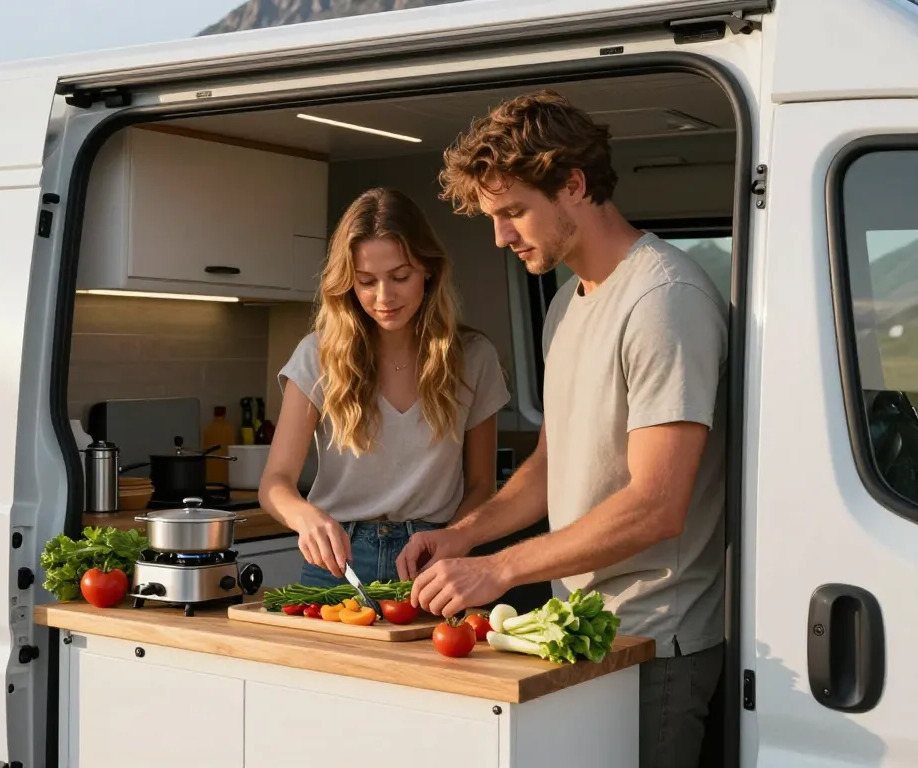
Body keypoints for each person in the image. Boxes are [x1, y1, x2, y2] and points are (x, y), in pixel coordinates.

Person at [396, 90, 728, 768]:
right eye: (494, 216)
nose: (501, 236)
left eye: (514, 212)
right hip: (577, 632)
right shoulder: (566, 307)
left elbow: (657, 505)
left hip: (654, 641)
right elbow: (552, 467)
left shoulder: (665, 300)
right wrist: (460, 536)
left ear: (574, 185)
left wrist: (499, 568)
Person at [259, 187, 512, 589]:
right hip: (337, 562)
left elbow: (482, 484)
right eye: (366, 281)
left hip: (432, 557)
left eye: (400, 276)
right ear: (347, 283)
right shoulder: (317, 356)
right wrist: (306, 518)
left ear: (428, 270)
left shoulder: (473, 357)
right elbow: (275, 482)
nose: (384, 297)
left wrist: (455, 540)